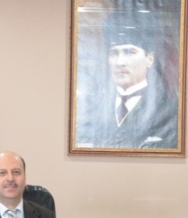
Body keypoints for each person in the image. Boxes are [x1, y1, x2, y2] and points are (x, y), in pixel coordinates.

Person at [75, 12, 179, 149]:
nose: (120, 62)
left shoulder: (168, 108)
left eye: (129, 52)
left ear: (149, 59)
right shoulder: (91, 106)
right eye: (114, 53)